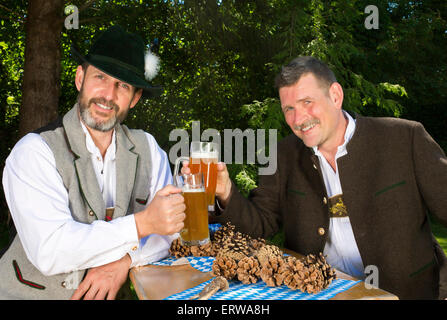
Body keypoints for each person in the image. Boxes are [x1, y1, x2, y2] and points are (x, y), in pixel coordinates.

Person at [207, 56, 447, 299]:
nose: (298, 119)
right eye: (289, 109)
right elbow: (259, 226)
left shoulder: (404, 138)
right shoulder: (283, 155)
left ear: (335, 95)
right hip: (320, 294)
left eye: (307, 102)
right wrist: (226, 191)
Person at [0, 25, 186, 299]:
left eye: (122, 85)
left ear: (134, 98)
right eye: (100, 77)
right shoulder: (34, 151)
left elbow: (171, 233)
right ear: (79, 79)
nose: (108, 95)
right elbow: (51, 251)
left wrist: (125, 261)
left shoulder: (148, 149)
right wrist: (142, 224)